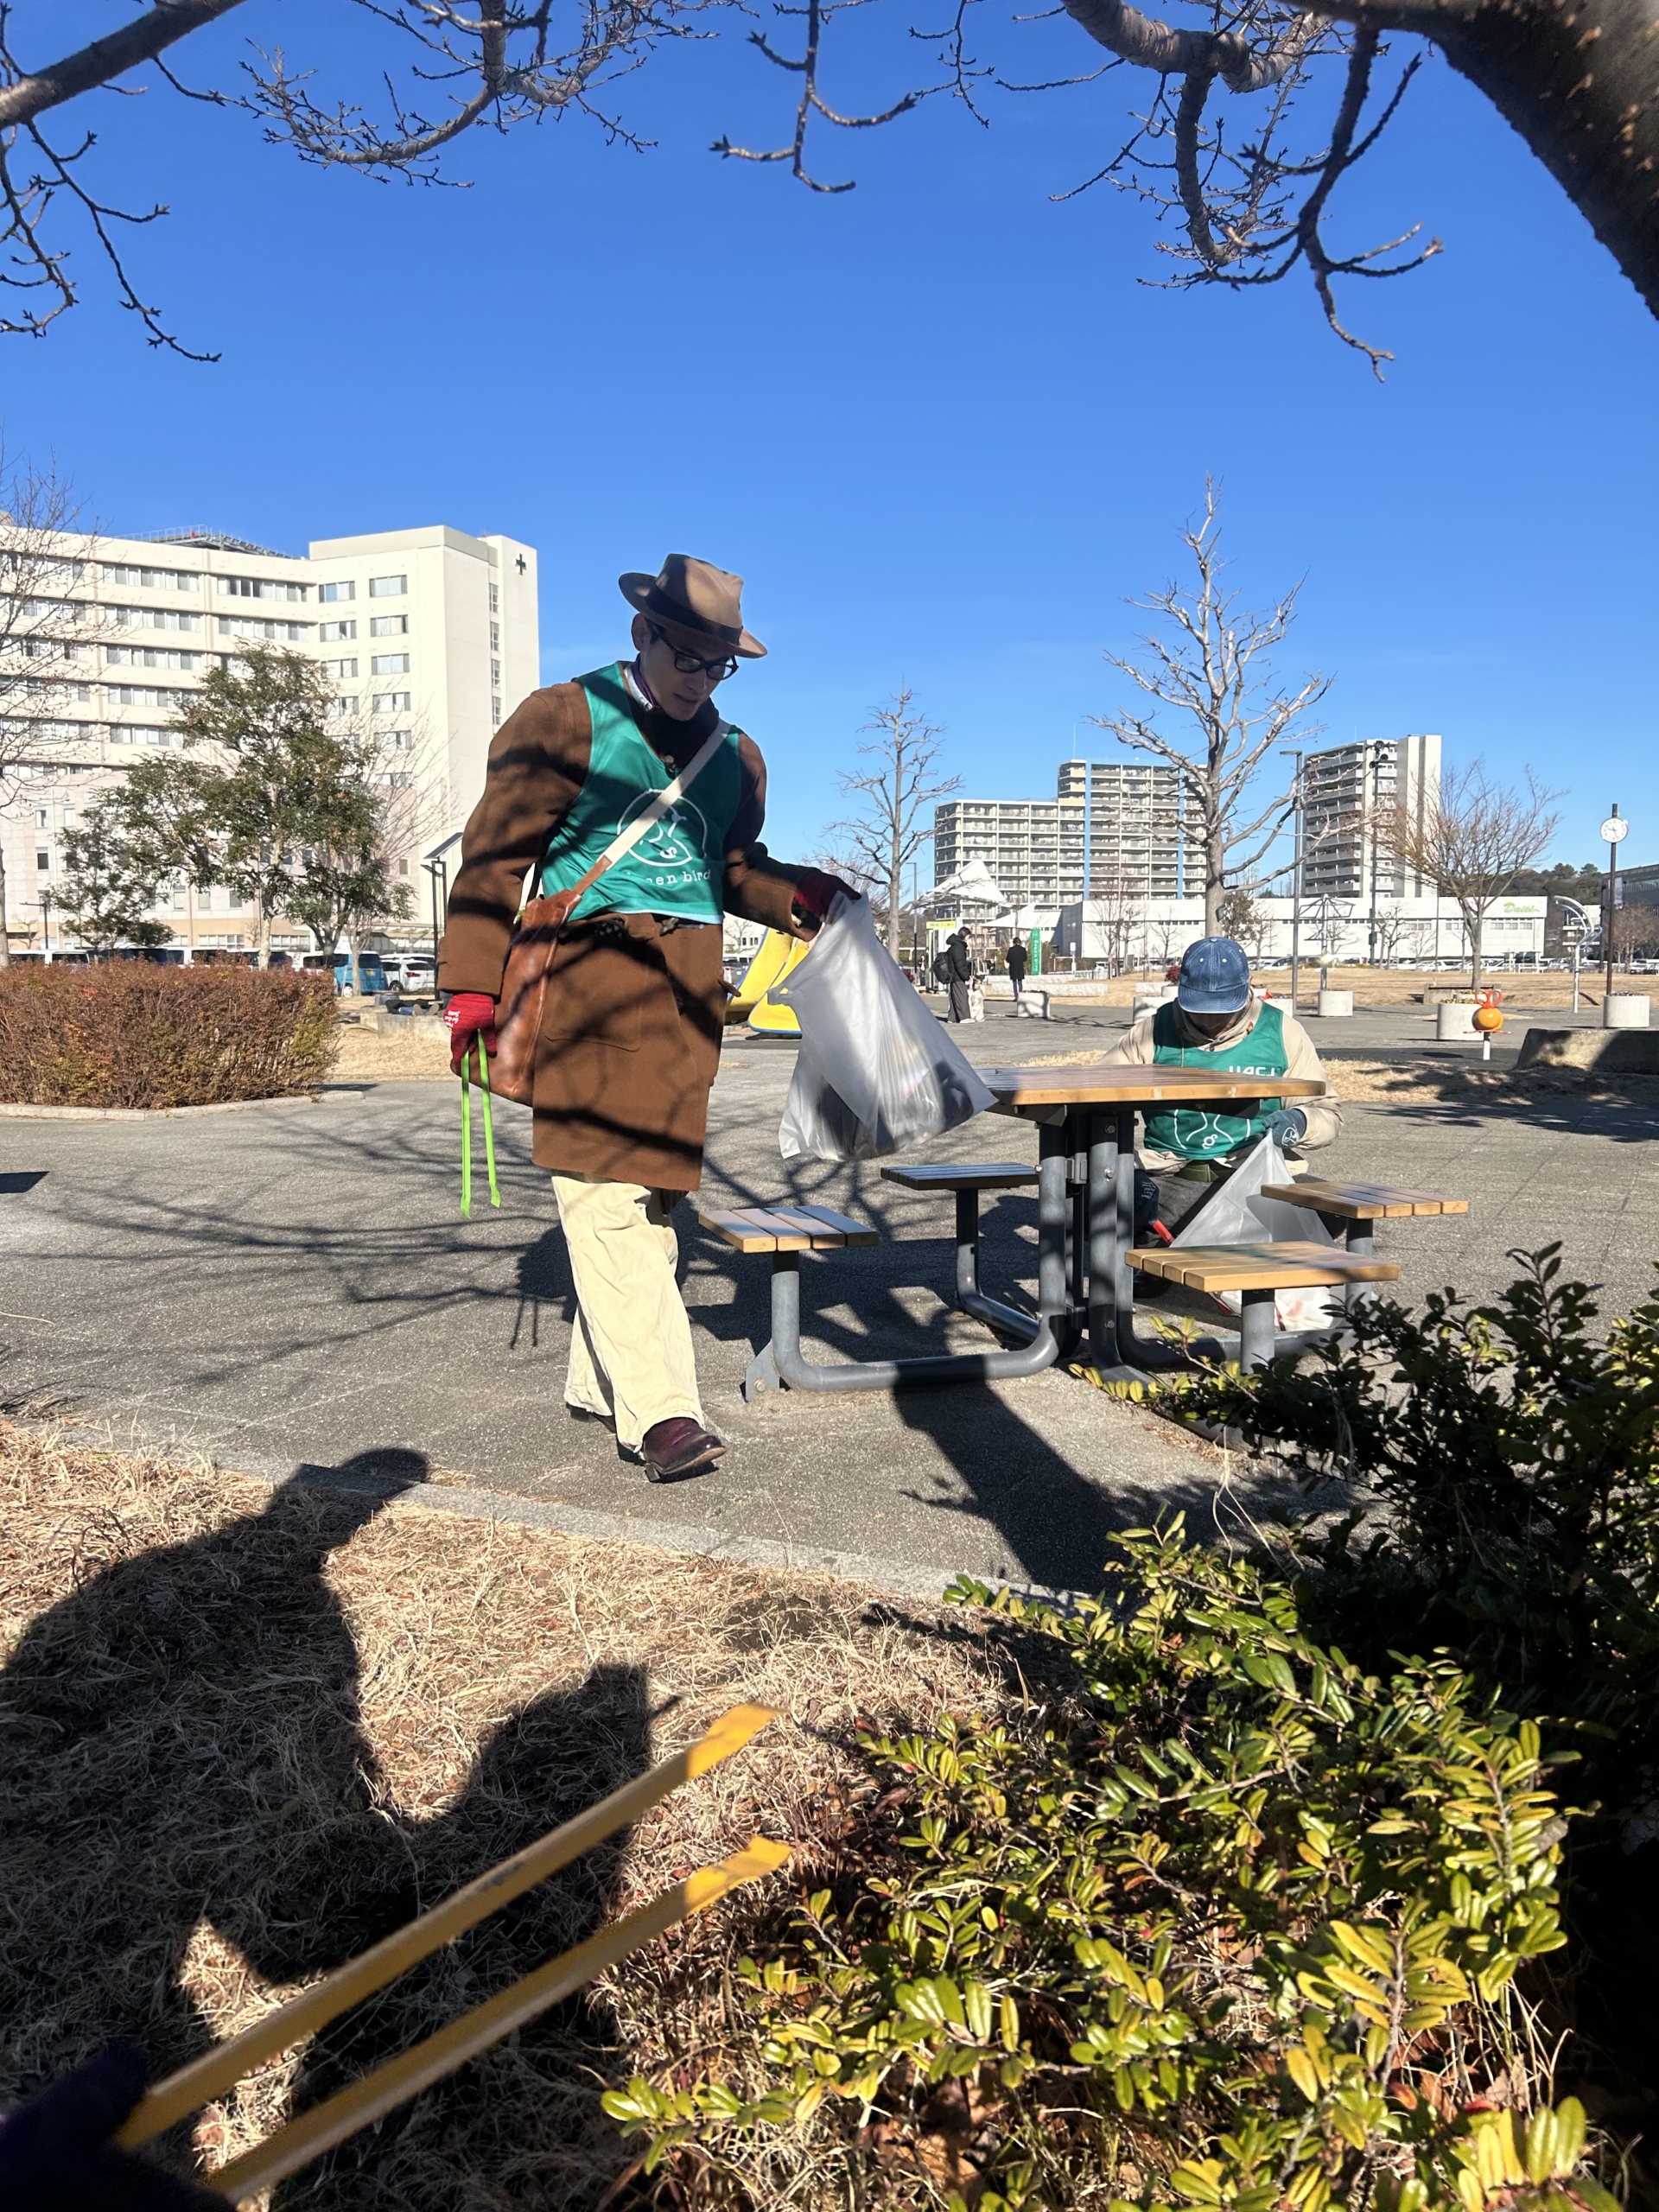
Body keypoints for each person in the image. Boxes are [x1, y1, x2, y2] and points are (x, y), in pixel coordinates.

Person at [439, 556, 854, 1485]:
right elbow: (494, 857)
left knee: (653, 1206)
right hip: (586, 986)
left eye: (717, 664)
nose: (697, 677)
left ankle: (602, 1386)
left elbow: (733, 867)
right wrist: (471, 987)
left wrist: (804, 894)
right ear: (642, 634)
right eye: (685, 654)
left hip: (685, 1006)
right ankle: (664, 1413)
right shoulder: (565, 716)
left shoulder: (736, 756)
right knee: (606, 1198)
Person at [1101, 935, 1340, 1249]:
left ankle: (1177, 1249)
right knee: (1096, 1199)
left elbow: (1327, 1111)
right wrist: (1124, 1170)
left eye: (1223, 1008)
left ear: (1247, 986)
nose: (1211, 1020)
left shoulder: (1283, 1031)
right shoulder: (1152, 1031)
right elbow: (1097, 1095)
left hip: (1255, 1174)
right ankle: (1177, 1249)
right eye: (1200, 1009)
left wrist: (1301, 1121)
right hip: (1171, 1175)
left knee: (1332, 1209)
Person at [940, 929, 974, 1023]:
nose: (969, 938)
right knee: (961, 995)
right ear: (965, 935)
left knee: (954, 996)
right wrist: (966, 976)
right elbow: (959, 964)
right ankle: (964, 1017)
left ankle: (952, 1017)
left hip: (953, 975)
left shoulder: (954, 946)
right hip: (957, 976)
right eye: (968, 936)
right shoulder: (958, 947)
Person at [1006, 936, 1028, 1003]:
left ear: (1014, 942)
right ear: (1020, 942)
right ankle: (1021, 996)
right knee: (1020, 982)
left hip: (1013, 967)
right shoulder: (1023, 950)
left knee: (1014, 982)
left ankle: (1016, 996)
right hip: (1020, 967)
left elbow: (1008, 959)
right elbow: (1025, 959)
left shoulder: (1011, 950)